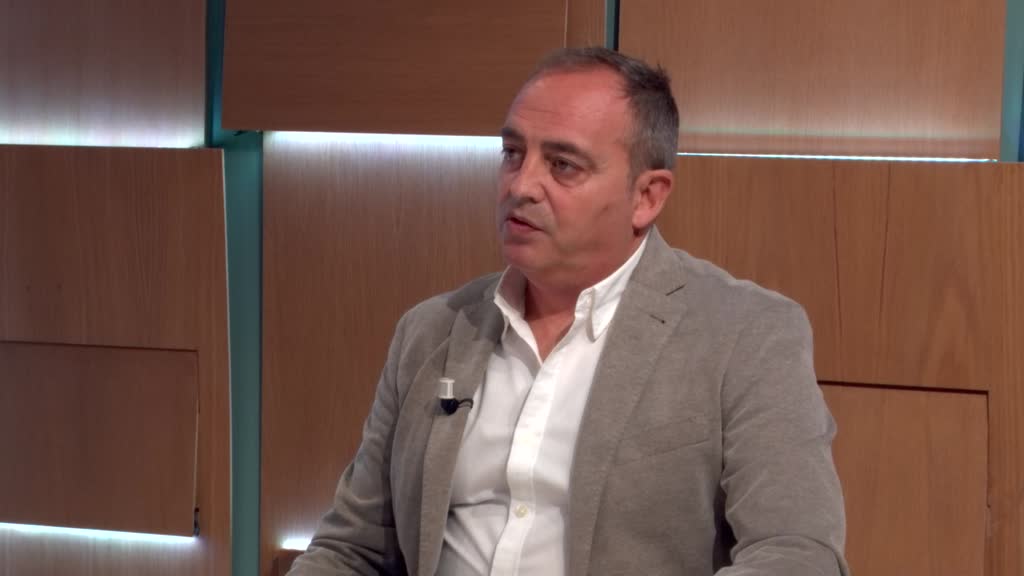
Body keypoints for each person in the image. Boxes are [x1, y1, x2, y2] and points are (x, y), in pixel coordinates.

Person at [288, 47, 848, 576]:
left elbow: (795, 554)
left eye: (562, 165)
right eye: (513, 153)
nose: (521, 185)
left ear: (647, 196)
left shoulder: (743, 334)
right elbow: (351, 549)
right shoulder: (431, 330)